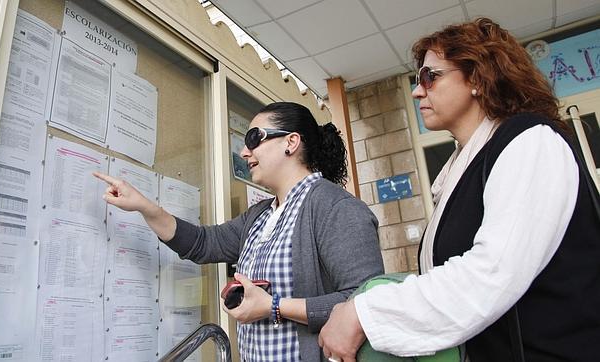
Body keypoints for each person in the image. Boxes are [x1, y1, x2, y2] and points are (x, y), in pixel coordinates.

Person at [318, 17, 600, 362]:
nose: (417, 90)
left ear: (478, 78)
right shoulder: (464, 167)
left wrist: (365, 313)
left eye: (430, 77)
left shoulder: (530, 141)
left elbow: (491, 273)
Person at [94, 101, 384, 361]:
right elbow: (202, 243)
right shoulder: (259, 216)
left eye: (254, 138)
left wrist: (275, 307)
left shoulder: (336, 208)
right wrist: (145, 206)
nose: (245, 151)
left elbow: (367, 301)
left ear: (291, 142)